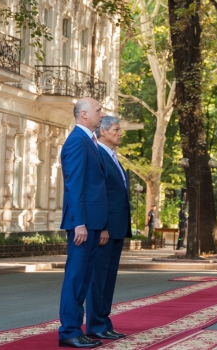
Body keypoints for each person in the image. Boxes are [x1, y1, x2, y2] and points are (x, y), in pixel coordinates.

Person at [58, 98, 108, 349]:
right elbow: (74, 184)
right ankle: (68, 331)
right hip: (82, 224)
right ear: (84, 114)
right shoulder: (77, 141)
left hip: (92, 222)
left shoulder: (90, 140)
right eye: (99, 110)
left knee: (84, 279)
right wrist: (79, 223)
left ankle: (76, 329)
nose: (103, 114)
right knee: (75, 278)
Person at [85, 116, 130, 341]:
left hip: (117, 227)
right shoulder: (99, 155)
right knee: (98, 278)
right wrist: (101, 226)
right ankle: (95, 325)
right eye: (116, 129)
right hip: (105, 229)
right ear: (103, 132)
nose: (120, 133)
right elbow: (99, 194)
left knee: (108, 279)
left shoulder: (113, 157)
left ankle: (104, 323)